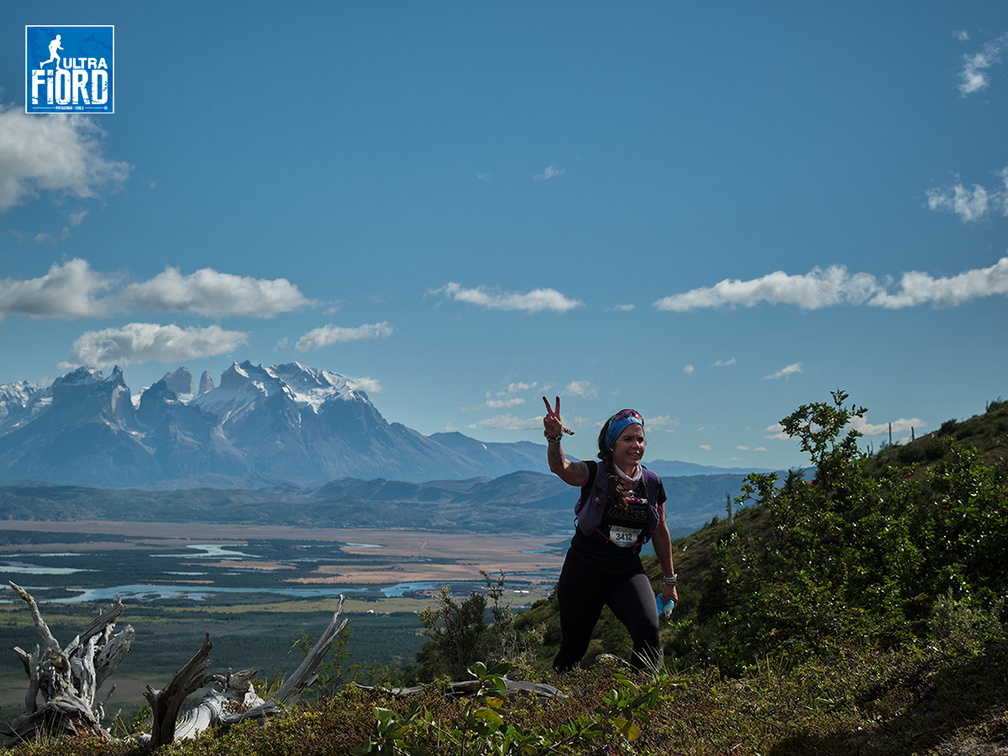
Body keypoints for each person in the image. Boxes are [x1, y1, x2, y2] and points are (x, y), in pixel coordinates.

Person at [542, 396, 678, 671]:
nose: (636, 445)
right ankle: (553, 702)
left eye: (640, 439)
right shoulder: (594, 473)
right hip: (584, 568)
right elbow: (562, 468)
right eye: (628, 439)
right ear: (612, 443)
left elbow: (661, 530)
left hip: (626, 569)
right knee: (574, 647)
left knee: (648, 631)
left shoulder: (651, 483)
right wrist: (554, 440)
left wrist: (670, 581)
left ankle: (643, 700)